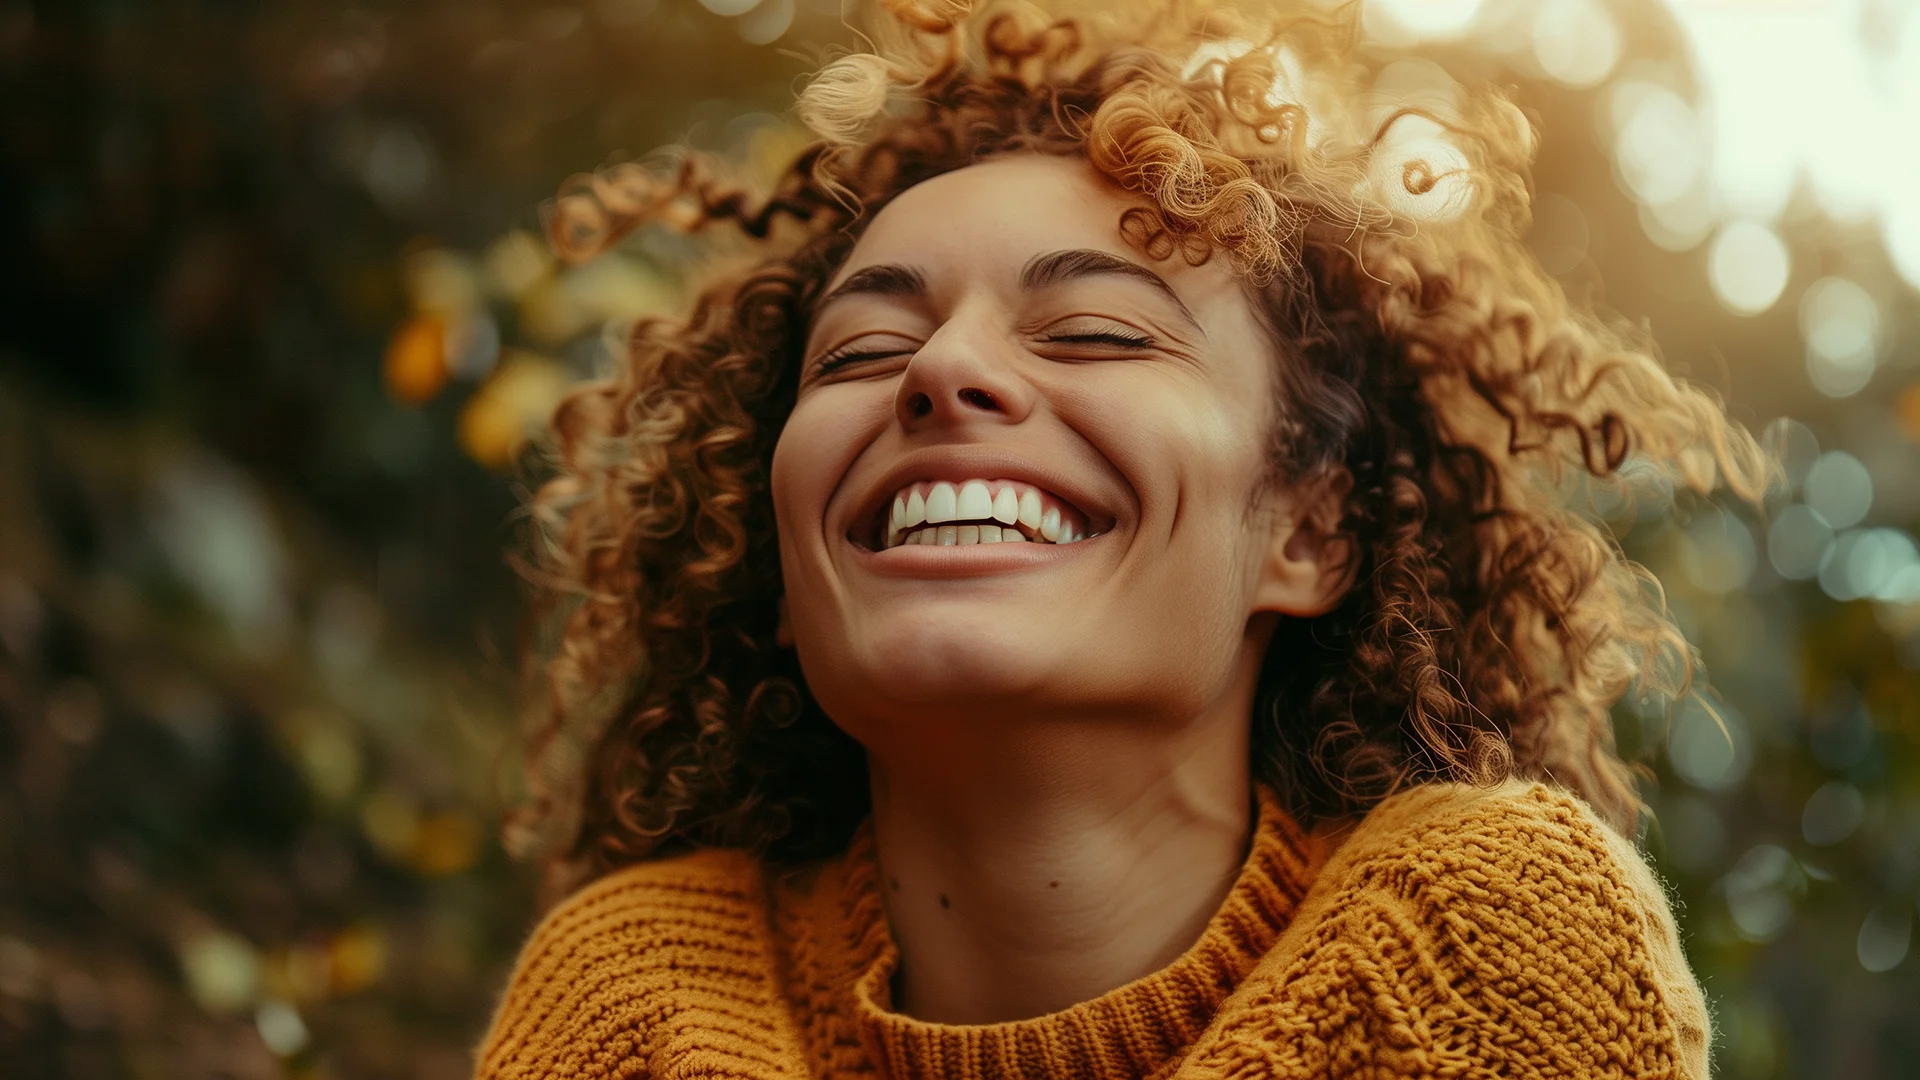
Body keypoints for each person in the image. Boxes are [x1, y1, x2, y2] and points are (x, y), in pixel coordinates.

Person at [477, 0, 1765, 1076]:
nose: (941, 371)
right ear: (775, 545)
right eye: (864, 352)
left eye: (1097, 331)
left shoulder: (1489, 947)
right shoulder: (626, 1000)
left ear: (1310, 534)